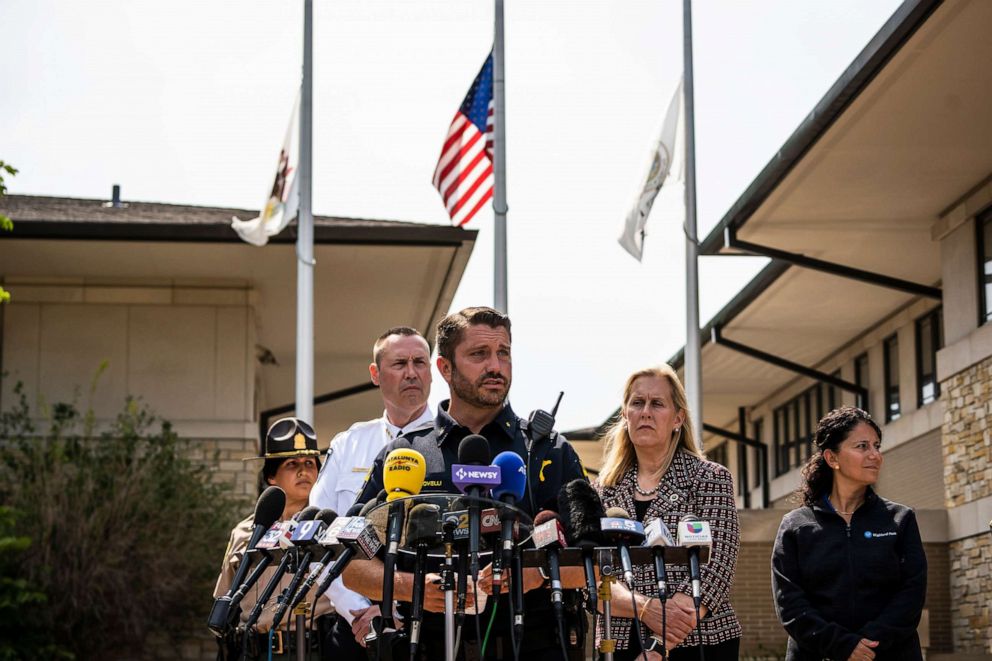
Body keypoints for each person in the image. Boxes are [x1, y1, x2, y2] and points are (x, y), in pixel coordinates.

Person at [344, 306, 589, 660]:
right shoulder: (404, 455)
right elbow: (350, 563)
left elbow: (595, 560)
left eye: (503, 353)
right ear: (445, 368)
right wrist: (411, 588)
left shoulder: (549, 450)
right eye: (479, 354)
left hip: (535, 644)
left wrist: (535, 573)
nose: (496, 366)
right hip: (429, 645)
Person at [595, 365, 742, 661]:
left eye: (657, 403)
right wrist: (645, 608)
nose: (645, 412)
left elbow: (716, 569)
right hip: (619, 643)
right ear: (625, 415)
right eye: (637, 403)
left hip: (699, 643)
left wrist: (658, 646)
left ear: (678, 418)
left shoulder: (710, 479)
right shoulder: (602, 491)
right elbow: (593, 579)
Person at [308, 326, 434, 656]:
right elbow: (318, 536)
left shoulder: (454, 444)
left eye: (420, 362)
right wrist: (358, 611)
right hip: (355, 626)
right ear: (375, 374)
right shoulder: (349, 443)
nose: (411, 373)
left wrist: (398, 610)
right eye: (399, 364)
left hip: (430, 625)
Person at [771, 407, 926, 661]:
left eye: (877, 446)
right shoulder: (795, 526)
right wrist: (842, 646)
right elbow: (790, 604)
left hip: (890, 654)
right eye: (862, 446)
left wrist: (868, 645)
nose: (875, 455)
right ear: (832, 458)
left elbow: (911, 594)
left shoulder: (901, 519)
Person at [213, 417, 333, 660]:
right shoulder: (246, 532)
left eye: (310, 463)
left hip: (312, 649)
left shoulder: (329, 526)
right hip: (252, 649)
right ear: (271, 476)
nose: (303, 471)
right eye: (291, 464)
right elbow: (224, 599)